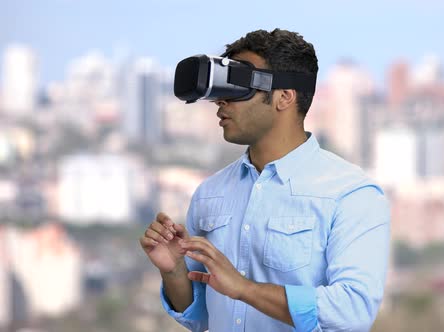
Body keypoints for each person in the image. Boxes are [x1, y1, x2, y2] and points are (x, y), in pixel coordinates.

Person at [139, 28, 391, 332]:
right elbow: (199, 316)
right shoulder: (210, 193)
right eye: (221, 91)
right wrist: (174, 272)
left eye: (237, 88)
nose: (221, 103)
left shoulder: (350, 194)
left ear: (284, 97)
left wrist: (244, 288)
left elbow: (352, 311)